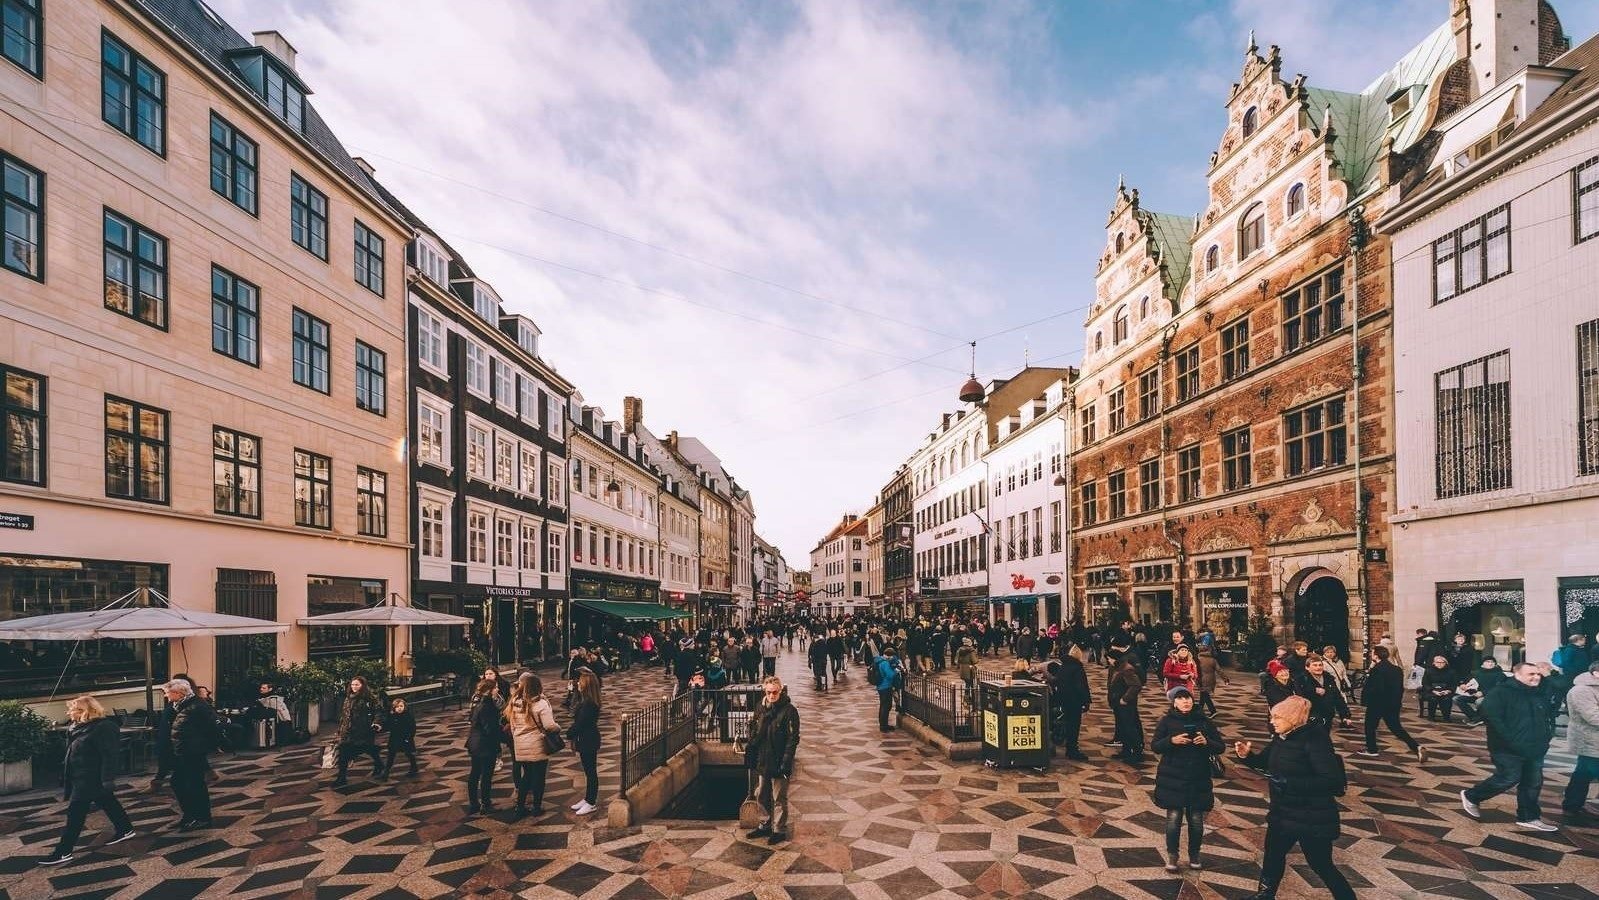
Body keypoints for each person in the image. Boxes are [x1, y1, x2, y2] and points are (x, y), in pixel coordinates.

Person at [1234, 696, 1356, 900]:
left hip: (1311, 816)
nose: (1272, 722)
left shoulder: (1315, 739)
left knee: (1321, 864)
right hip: (1283, 812)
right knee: (1273, 854)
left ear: (1293, 718)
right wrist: (1247, 756)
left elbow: (1331, 781)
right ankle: (1265, 895)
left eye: (1277, 717)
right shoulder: (1281, 738)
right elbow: (1264, 764)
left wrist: (1290, 784)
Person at [37, 695, 137, 866]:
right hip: (80, 775)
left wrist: (107, 779)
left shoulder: (102, 727)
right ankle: (125, 829)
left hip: (91, 777)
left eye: (73, 709)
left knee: (75, 814)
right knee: (108, 801)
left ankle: (63, 851)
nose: (69, 712)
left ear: (85, 711)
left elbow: (109, 755)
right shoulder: (78, 727)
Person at [1461, 662, 1559, 831]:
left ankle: (1528, 817)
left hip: (1535, 747)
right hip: (1507, 747)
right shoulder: (1501, 692)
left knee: (1533, 782)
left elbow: (1547, 715)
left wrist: (1547, 736)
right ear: (1517, 674)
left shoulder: (1538, 692)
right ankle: (1472, 796)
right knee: (1509, 777)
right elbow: (1491, 716)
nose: (1536, 677)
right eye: (1531, 674)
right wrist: (1511, 739)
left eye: (1538, 674)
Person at [1152, 687, 1224, 872]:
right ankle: (1172, 855)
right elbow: (1155, 746)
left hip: (1197, 777)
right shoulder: (1166, 721)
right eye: (1181, 698)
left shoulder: (1204, 721)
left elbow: (1220, 747)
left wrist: (1206, 742)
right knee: (1173, 819)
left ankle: (1194, 854)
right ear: (1174, 702)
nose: (1186, 701)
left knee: (1196, 820)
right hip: (1172, 777)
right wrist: (1171, 741)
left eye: (1188, 698)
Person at [745, 675, 800, 845]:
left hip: (778, 760)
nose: (771, 695)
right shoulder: (760, 708)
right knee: (761, 794)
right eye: (768, 692)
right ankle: (764, 824)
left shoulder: (789, 711)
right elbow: (754, 731)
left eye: (775, 692)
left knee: (778, 797)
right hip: (763, 758)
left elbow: (793, 739)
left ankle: (778, 829)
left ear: (780, 691)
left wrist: (786, 761)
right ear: (765, 692)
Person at [1357, 646, 1424, 761]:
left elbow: (1376, 688)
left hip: (1377, 703)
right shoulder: (1396, 669)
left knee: (1370, 726)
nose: (1371, 655)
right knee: (1396, 728)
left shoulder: (1377, 669)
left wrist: (1366, 699)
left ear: (1376, 656)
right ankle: (1416, 746)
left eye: (1372, 653)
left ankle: (1371, 749)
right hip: (1393, 703)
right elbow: (1400, 688)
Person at [165, 679, 216, 831]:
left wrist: (198, 747)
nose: (167, 696)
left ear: (179, 693)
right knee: (179, 783)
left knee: (195, 785)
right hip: (183, 752)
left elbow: (208, 728)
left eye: (168, 693)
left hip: (193, 753)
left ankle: (202, 818)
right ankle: (190, 816)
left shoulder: (197, 706)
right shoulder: (181, 706)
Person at [508, 673, 560, 818]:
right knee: (539, 776)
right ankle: (536, 807)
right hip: (536, 744)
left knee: (527, 776)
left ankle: (520, 806)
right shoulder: (540, 703)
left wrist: (518, 736)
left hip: (520, 744)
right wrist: (558, 728)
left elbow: (512, 725)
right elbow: (549, 726)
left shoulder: (515, 702)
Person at [1562, 660, 1599, 824]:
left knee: (1583, 774)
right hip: (1590, 740)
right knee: (1585, 772)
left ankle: (1572, 805)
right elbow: (1593, 717)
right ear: (1596, 673)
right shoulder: (1581, 690)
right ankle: (1571, 806)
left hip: (1594, 741)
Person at [463, 676, 505, 816]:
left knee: (475, 773)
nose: (497, 689)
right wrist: (502, 736)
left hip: (474, 743)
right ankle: (485, 804)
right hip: (486, 745)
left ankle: (473, 803)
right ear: (489, 690)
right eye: (495, 688)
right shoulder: (488, 706)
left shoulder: (478, 704)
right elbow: (490, 728)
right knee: (486, 775)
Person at [332, 677, 385, 786]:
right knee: (344, 753)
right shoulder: (348, 698)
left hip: (363, 731)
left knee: (364, 749)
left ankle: (378, 763)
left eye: (357, 685)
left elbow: (378, 711)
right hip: (348, 731)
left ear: (362, 685)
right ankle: (341, 777)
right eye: (352, 685)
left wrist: (376, 722)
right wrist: (339, 730)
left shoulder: (369, 698)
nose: (354, 687)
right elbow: (344, 716)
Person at [567, 669, 603, 816]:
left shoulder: (589, 704)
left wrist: (569, 733)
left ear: (587, 685)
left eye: (580, 682)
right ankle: (587, 798)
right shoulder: (585, 701)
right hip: (585, 739)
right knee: (588, 771)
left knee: (591, 772)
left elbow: (581, 723)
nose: (578, 684)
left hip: (588, 739)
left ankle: (591, 802)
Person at [1049, 655, 1091, 761]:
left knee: (1067, 723)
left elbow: (1058, 681)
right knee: (1074, 725)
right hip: (1074, 701)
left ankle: (1069, 746)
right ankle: (1072, 749)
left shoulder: (1063, 667)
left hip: (1063, 699)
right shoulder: (1077, 669)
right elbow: (1081, 686)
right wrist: (1086, 701)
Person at [1295, 656, 1351, 730]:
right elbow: (1299, 697)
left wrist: (1344, 716)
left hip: (1327, 716)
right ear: (1307, 668)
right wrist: (1313, 690)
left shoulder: (1329, 678)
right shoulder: (1301, 680)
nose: (1318, 668)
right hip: (1310, 718)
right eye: (1315, 665)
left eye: (1320, 665)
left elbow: (1337, 697)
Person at [1109, 655, 1144, 764]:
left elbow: (1136, 685)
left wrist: (1125, 698)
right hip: (1119, 703)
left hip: (1125, 704)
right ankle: (1126, 750)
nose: (1108, 661)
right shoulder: (1118, 667)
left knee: (1129, 727)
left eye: (1109, 658)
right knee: (1123, 727)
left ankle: (1137, 753)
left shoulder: (1126, 668)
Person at [1454, 657, 1504, 725]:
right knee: (1456, 699)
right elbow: (1465, 680)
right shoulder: (1476, 673)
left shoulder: (1500, 674)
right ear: (1482, 664)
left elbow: (1499, 688)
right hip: (1473, 694)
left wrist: (1483, 693)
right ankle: (1475, 717)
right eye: (1487, 661)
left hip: (1490, 696)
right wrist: (1462, 685)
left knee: (1479, 701)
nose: (1490, 663)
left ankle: (1478, 719)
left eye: (1492, 662)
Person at [245, 681, 291, 749]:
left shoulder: (273, 698)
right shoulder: (264, 697)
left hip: (278, 719)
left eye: (264, 688)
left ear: (270, 689)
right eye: (261, 687)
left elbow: (276, 708)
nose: (261, 689)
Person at [384, 697, 418, 777]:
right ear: (394, 708)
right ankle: (386, 772)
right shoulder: (392, 716)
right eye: (397, 707)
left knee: (409, 754)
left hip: (406, 738)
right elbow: (387, 726)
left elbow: (412, 728)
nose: (399, 708)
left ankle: (414, 767)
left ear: (404, 707)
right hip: (394, 738)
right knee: (391, 755)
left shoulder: (408, 715)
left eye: (401, 706)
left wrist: (408, 738)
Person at [871, 647, 902, 733]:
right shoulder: (884, 663)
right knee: (886, 706)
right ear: (889, 656)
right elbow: (890, 675)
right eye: (892, 656)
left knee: (883, 706)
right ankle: (883, 726)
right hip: (885, 686)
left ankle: (883, 724)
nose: (892, 658)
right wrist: (896, 671)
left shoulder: (878, 660)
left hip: (880, 686)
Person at [1421, 654, 1458, 722]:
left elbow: (1453, 684)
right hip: (1432, 691)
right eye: (1437, 662)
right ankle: (1431, 716)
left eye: (1442, 662)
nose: (1440, 664)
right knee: (1433, 698)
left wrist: (1448, 691)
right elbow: (1425, 683)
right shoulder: (1428, 671)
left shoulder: (1451, 672)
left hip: (1446, 690)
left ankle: (1446, 717)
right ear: (1434, 663)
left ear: (1445, 663)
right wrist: (1433, 691)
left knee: (1446, 698)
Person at [1196, 646, 1228, 717]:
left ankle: (1213, 711)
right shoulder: (1213, 660)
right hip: (1211, 680)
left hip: (1201, 680)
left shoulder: (1198, 659)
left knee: (1205, 695)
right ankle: (1199, 711)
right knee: (1203, 695)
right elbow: (1219, 670)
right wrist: (1225, 679)